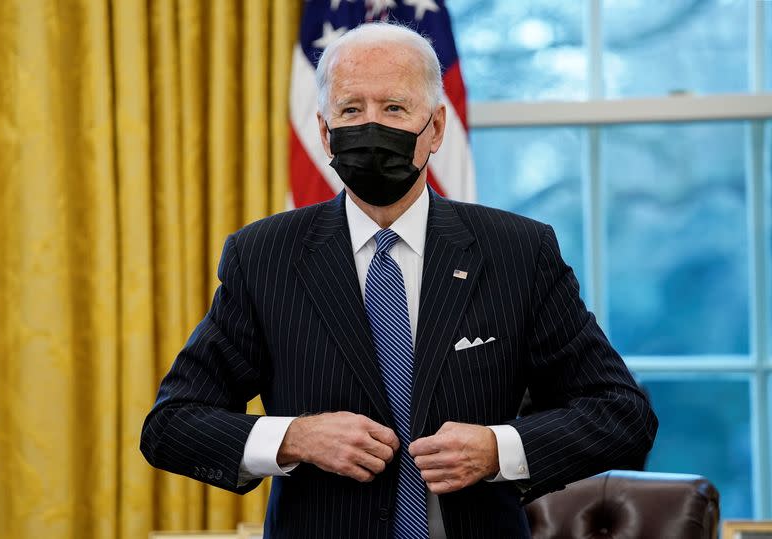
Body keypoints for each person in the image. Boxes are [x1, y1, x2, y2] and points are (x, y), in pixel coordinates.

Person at [140, 22, 657, 539]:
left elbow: (621, 413)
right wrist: (294, 438)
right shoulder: (264, 256)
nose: (371, 127)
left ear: (434, 128)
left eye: (393, 108)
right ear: (324, 132)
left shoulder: (517, 252)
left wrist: (498, 449)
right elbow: (173, 425)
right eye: (350, 110)